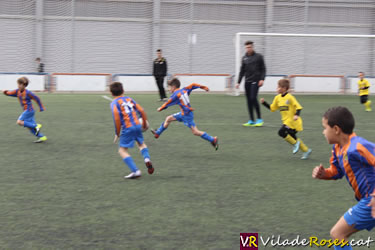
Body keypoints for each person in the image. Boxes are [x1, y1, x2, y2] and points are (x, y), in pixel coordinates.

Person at [312, 106, 375, 250]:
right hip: (368, 200)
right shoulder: (338, 148)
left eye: (324, 128)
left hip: (370, 200)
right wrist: (324, 174)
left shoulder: (357, 146)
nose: (323, 132)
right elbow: (337, 171)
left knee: (337, 233)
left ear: (336, 129)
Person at [151, 78, 218, 150]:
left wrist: (160, 108)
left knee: (195, 132)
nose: (168, 89)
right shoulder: (184, 89)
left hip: (187, 115)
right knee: (168, 118)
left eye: (169, 87)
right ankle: (157, 133)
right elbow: (193, 85)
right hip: (183, 113)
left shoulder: (176, 95)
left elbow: (168, 103)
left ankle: (212, 139)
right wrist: (204, 87)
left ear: (173, 87)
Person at [110, 82, 154, 179]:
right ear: (123, 91)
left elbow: (117, 119)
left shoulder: (114, 103)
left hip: (128, 127)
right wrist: (144, 122)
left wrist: (117, 133)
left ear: (111, 93)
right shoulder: (129, 99)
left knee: (122, 151)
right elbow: (141, 110)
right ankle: (146, 159)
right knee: (141, 144)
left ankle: (135, 171)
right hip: (138, 125)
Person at [260, 79, 312, 159]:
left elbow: (298, 107)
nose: (277, 88)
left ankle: (295, 144)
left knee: (281, 132)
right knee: (293, 137)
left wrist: (296, 115)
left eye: (279, 87)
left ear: (284, 88)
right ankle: (306, 150)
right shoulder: (277, 98)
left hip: (294, 122)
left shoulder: (290, 97)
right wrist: (264, 103)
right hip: (286, 122)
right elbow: (272, 108)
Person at [3, 77, 47, 142]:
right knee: (30, 127)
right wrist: (6, 92)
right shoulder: (17, 91)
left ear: (24, 85)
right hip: (28, 111)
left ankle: (36, 125)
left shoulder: (28, 93)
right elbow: (11, 93)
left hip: (29, 110)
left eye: (19, 84)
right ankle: (42, 137)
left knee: (19, 122)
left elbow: (37, 98)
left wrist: (41, 107)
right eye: (18, 84)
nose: (18, 85)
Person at [235, 41, 266, 127]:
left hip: (256, 81)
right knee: (248, 101)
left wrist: (262, 79)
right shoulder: (244, 58)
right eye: (247, 47)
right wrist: (238, 82)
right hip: (247, 82)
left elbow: (263, 69)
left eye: (249, 47)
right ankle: (251, 120)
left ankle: (259, 119)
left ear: (252, 47)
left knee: (253, 98)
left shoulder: (259, 57)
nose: (248, 49)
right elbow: (242, 71)